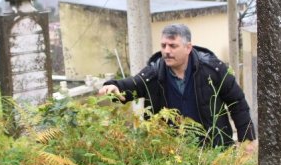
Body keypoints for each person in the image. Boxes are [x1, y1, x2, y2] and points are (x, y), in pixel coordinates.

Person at [98, 23, 256, 149]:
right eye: (163, 45)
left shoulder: (212, 70)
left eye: (173, 46)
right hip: (172, 154)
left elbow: (238, 103)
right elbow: (133, 85)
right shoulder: (154, 73)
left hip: (214, 148)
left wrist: (247, 139)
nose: (166, 51)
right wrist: (113, 87)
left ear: (188, 48)